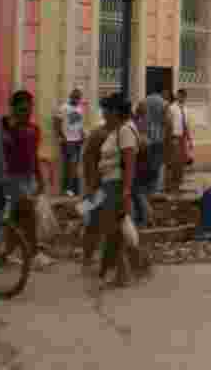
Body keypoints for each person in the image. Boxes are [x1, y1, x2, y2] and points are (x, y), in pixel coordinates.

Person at [95, 94, 149, 287]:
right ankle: (124, 271)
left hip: (116, 186)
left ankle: (121, 273)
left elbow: (129, 163)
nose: (103, 114)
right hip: (108, 185)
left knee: (114, 232)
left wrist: (125, 192)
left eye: (105, 110)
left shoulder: (125, 130)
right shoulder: (117, 130)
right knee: (114, 231)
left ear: (115, 112)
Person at [1, 90, 45, 262]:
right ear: (13, 109)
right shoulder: (5, 128)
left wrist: (39, 178)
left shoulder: (34, 130)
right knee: (28, 215)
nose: (26, 114)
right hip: (11, 178)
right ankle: (33, 253)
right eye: (22, 110)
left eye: (29, 110)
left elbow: (34, 156)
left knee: (16, 217)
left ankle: (8, 252)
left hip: (29, 178)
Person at [79, 121, 110, 273]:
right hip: (99, 186)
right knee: (94, 223)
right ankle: (88, 258)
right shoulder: (100, 134)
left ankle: (90, 258)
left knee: (95, 223)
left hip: (102, 185)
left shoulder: (106, 133)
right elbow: (88, 161)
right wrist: (91, 187)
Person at [54, 88, 86, 197]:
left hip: (78, 141)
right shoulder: (63, 108)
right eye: (75, 97)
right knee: (70, 165)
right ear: (71, 96)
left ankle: (73, 189)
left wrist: (82, 134)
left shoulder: (80, 109)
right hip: (68, 141)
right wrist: (62, 137)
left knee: (75, 165)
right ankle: (68, 189)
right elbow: (57, 123)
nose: (77, 99)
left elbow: (80, 124)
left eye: (79, 97)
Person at [164, 89, 188, 194]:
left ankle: (178, 184)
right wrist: (170, 139)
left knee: (181, 163)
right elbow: (168, 124)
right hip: (174, 137)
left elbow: (185, 125)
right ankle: (170, 186)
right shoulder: (171, 108)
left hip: (182, 138)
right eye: (180, 96)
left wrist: (189, 139)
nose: (181, 98)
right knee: (173, 162)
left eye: (183, 96)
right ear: (177, 96)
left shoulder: (185, 109)